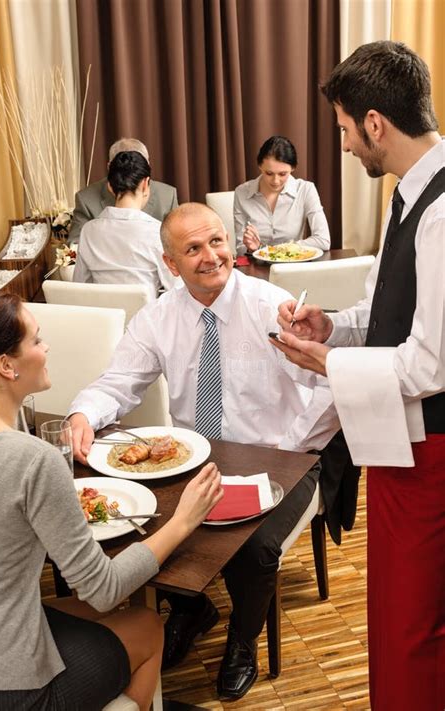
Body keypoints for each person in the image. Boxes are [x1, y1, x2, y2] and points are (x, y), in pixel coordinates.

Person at [68, 202, 341, 700]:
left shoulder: (270, 306)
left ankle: (243, 639)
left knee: (254, 548)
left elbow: (327, 385)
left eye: (216, 241)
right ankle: (193, 610)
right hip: (197, 458)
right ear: (171, 264)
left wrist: (290, 450)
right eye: (192, 249)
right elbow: (119, 382)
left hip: (279, 455)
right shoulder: (158, 317)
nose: (210, 256)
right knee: (145, 521)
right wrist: (84, 413)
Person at [271, 42, 444, 711]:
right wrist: (332, 326)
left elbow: (430, 363)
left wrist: (329, 364)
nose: (344, 146)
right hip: (402, 444)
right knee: (398, 618)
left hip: (433, 450)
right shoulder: (412, 193)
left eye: (345, 129)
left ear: (375, 123)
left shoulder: (442, 208)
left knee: (413, 631)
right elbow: (388, 309)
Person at [0, 292, 222, 711]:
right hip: (9, 693)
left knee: (77, 608)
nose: (46, 347)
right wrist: (183, 521)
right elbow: (102, 589)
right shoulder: (34, 460)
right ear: (6, 366)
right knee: (144, 622)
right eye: (36, 340)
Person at [73, 151, 178, 298]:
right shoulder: (157, 232)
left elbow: (80, 286)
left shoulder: (88, 231)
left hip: (104, 318)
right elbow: (176, 289)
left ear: (110, 186)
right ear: (145, 184)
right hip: (146, 318)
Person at [233, 135, 331, 255]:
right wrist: (250, 248)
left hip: (293, 267)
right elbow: (240, 249)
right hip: (256, 268)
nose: (275, 181)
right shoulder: (242, 193)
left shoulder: (305, 190)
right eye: (269, 173)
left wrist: (269, 250)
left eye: (283, 174)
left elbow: (323, 240)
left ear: (293, 168)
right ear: (259, 166)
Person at [69, 137, 178, 244]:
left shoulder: (168, 195)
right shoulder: (86, 200)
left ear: (147, 166)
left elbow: (178, 242)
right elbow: (75, 246)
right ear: (110, 167)